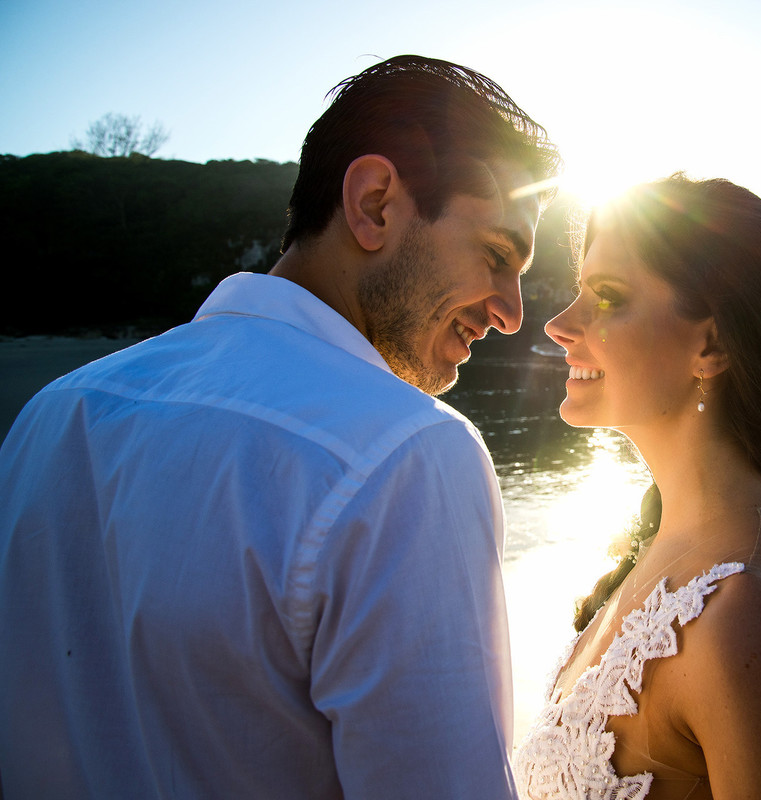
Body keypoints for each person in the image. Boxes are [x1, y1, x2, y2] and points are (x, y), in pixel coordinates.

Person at [0, 56, 559, 798]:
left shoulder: (50, 417)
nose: (513, 313)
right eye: (496, 254)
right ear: (375, 203)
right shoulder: (405, 454)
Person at [513, 175, 761, 798]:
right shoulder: (672, 541)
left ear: (713, 342)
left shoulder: (749, 621)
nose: (561, 324)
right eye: (578, 292)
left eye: (609, 297)